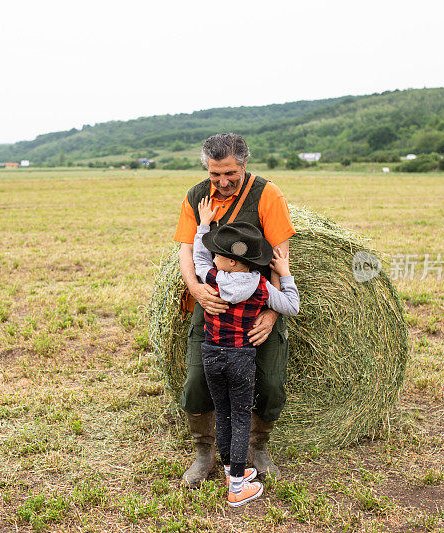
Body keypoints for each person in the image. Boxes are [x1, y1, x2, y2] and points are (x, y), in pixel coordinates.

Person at [173, 133, 296, 486]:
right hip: (212, 301)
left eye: (230, 174)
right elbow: (188, 250)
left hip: (259, 300)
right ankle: (204, 452)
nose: (223, 182)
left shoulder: (267, 194)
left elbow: (280, 256)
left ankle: (259, 447)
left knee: (270, 381)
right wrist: (196, 289)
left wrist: (272, 314)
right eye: (215, 175)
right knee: (198, 380)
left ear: (244, 165)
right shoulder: (196, 196)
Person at [193, 197, 300, 506]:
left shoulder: (212, 278)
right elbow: (291, 306)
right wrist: (285, 271)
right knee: (241, 417)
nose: (215, 256)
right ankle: (238, 488)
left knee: (223, 414)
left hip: (211, 354)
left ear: (232, 262)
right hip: (241, 358)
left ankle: (230, 471)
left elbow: (200, 257)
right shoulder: (262, 287)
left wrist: (203, 225)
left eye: (221, 254)